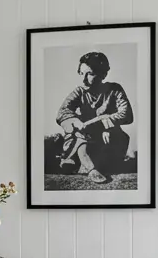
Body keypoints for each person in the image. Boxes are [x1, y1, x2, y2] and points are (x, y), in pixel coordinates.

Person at [55, 51, 133, 184]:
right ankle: (88, 166)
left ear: (103, 74)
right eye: (81, 73)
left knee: (112, 136)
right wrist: (75, 122)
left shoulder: (114, 89)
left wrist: (102, 124)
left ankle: (77, 161)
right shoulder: (79, 92)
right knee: (77, 132)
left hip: (109, 140)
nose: (84, 79)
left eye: (90, 74)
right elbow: (63, 112)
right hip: (85, 138)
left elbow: (126, 114)